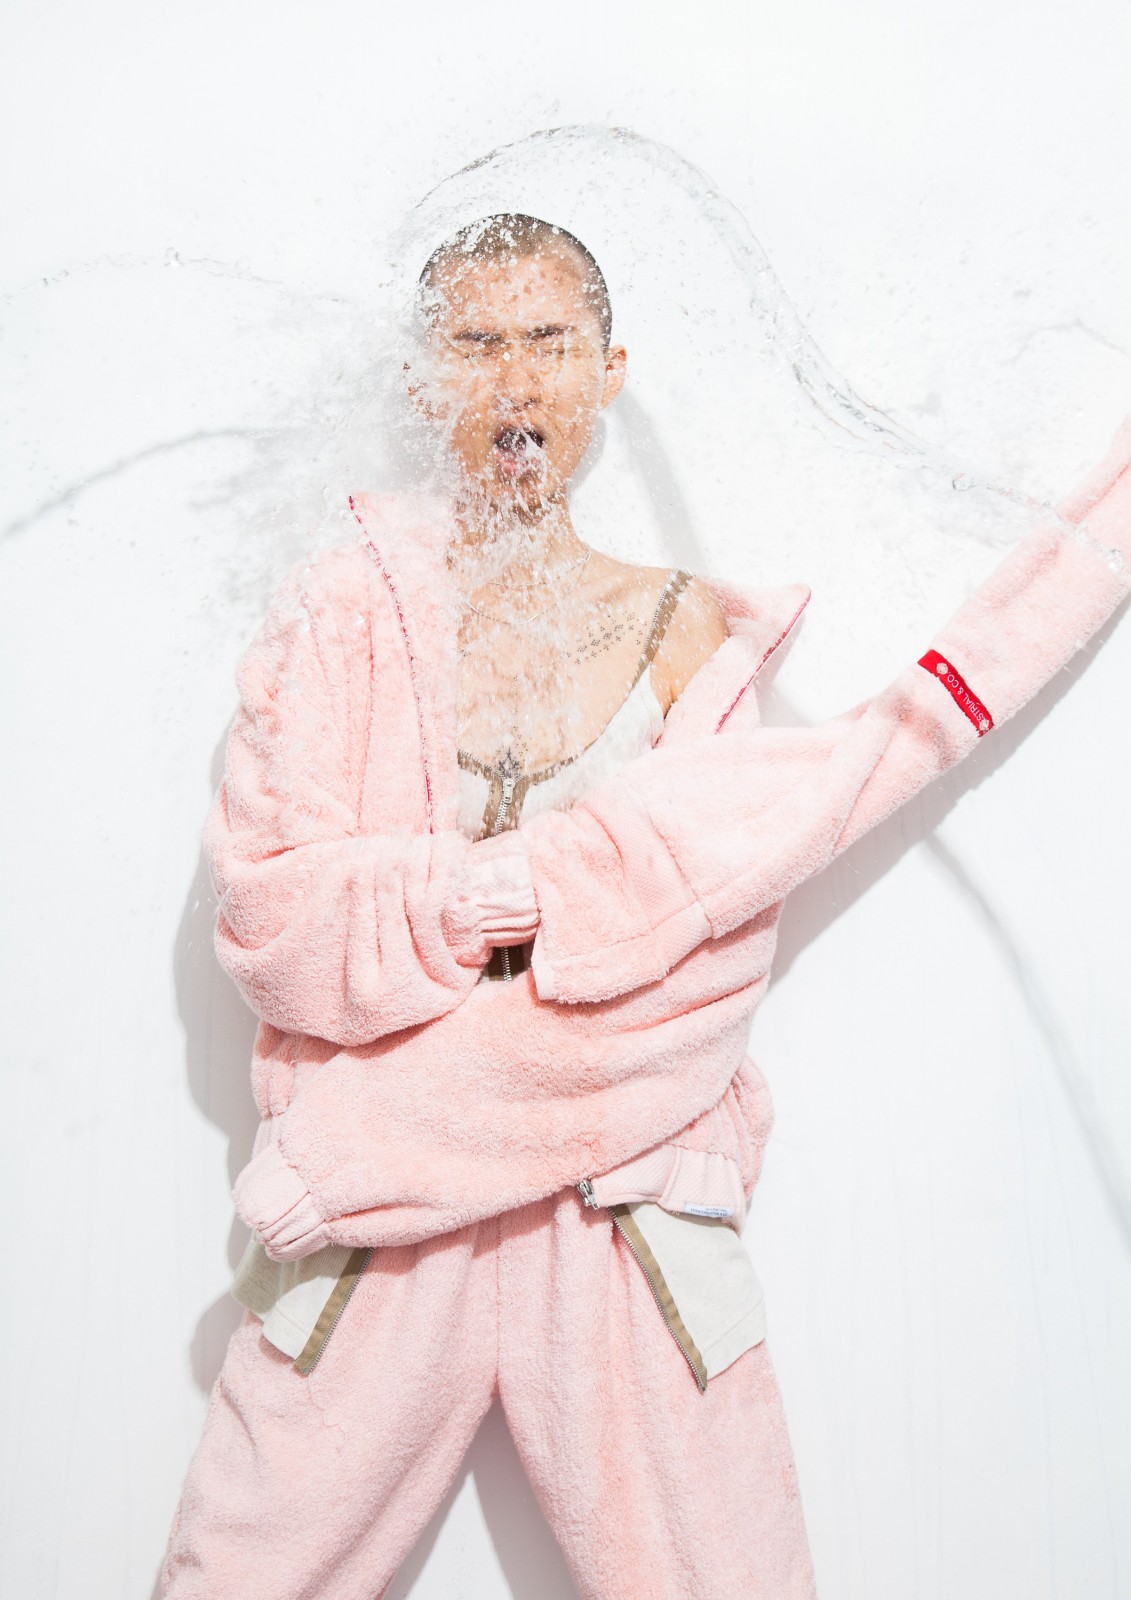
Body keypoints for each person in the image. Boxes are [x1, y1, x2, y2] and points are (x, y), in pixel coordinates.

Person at [160, 214, 1131, 1599]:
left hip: (617, 1218)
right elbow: (272, 922)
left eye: (548, 342)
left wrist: (388, 1105)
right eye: (475, 344)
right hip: (372, 1234)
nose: (514, 381)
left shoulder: (682, 630)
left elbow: (701, 981)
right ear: (424, 374)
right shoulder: (340, 615)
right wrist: (509, 904)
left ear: (608, 370)